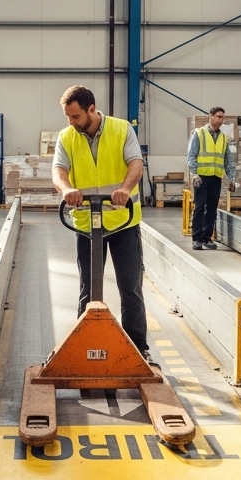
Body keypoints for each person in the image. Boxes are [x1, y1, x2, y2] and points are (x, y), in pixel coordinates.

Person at [51, 85, 150, 358]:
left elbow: (136, 164)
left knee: (130, 287)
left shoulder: (121, 129)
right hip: (86, 223)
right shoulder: (67, 136)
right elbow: (59, 170)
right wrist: (66, 190)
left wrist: (125, 190)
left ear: (91, 110)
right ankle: (85, 344)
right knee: (89, 288)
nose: (71, 122)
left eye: (75, 117)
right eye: (68, 117)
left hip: (122, 222)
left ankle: (138, 348)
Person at [186, 106, 237, 250]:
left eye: (222, 117)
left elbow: (228, 160)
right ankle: (197, 238)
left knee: (212, 208)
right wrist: (194, 174)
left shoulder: (223, 138)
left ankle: (207, 238)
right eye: (219, 117)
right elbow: (191, 155)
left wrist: (232, 178)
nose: (221, 120)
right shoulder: (199, 133)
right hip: (201, 177)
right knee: (200, 207)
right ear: (211, 116)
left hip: (216, 177)